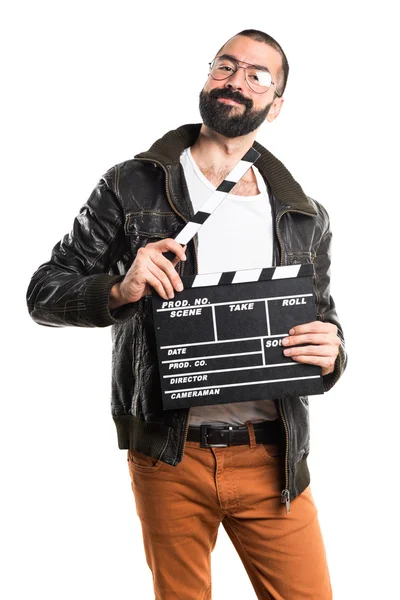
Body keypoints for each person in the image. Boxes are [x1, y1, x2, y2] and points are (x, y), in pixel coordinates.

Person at [27, 28, 346, 600]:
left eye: (257, 75)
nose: (236, 81)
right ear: (207, 78)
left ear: (276, 107)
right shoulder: (131, 184)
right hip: (170, 453)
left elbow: (322, 320)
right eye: (225, 66)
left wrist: (334, 354)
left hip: (272, 456)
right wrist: (120, 289)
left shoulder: (303, 213)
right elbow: (44, 293)